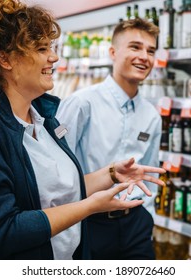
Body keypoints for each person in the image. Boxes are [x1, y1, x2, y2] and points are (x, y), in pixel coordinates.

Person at [0, 0, 166, 260]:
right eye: (42, 49)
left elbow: (58, 191)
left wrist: (111, 174)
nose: (53, 57)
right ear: (5, 59)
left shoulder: (44, 120)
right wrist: (89, 207)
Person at [56, 18, 162, 260]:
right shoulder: (82, 103)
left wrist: (147, 216)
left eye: (151, 50)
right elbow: (56, 174)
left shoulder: (152, 116)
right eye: (135, 47)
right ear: (113, 52)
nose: (144, 56)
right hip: (90, 222)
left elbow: (150, 173)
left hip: (136, 224)